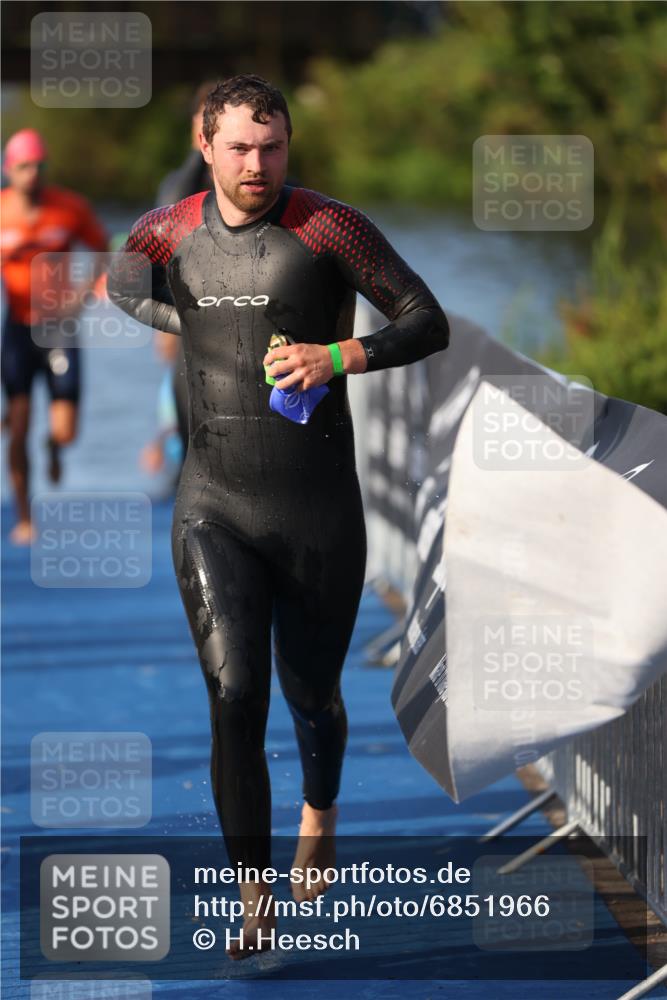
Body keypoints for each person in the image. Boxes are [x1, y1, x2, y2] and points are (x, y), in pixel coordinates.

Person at [107, 74, 449, 959]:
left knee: (310, 698)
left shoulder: (328, 228)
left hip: (317, 511)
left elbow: (425, 320)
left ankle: (320, 809)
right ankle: (251, 898)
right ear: (205, 144)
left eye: (273, 148)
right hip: (211, 505)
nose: (257, 165)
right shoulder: (170, 228)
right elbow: (119, 277)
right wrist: (177, 316)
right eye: (239, 149)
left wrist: (338, 354)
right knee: (234, 695)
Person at [1, 129, 108, 544]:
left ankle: (54, 446)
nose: (33, 174)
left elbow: (104, 249)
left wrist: (82, 295)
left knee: (65, 430)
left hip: (59, 329)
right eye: (24, 167)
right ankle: (25, 517)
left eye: (39, 166)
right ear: (10, 171)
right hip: (17, 330)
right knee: (19, 425)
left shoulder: (69, 208)